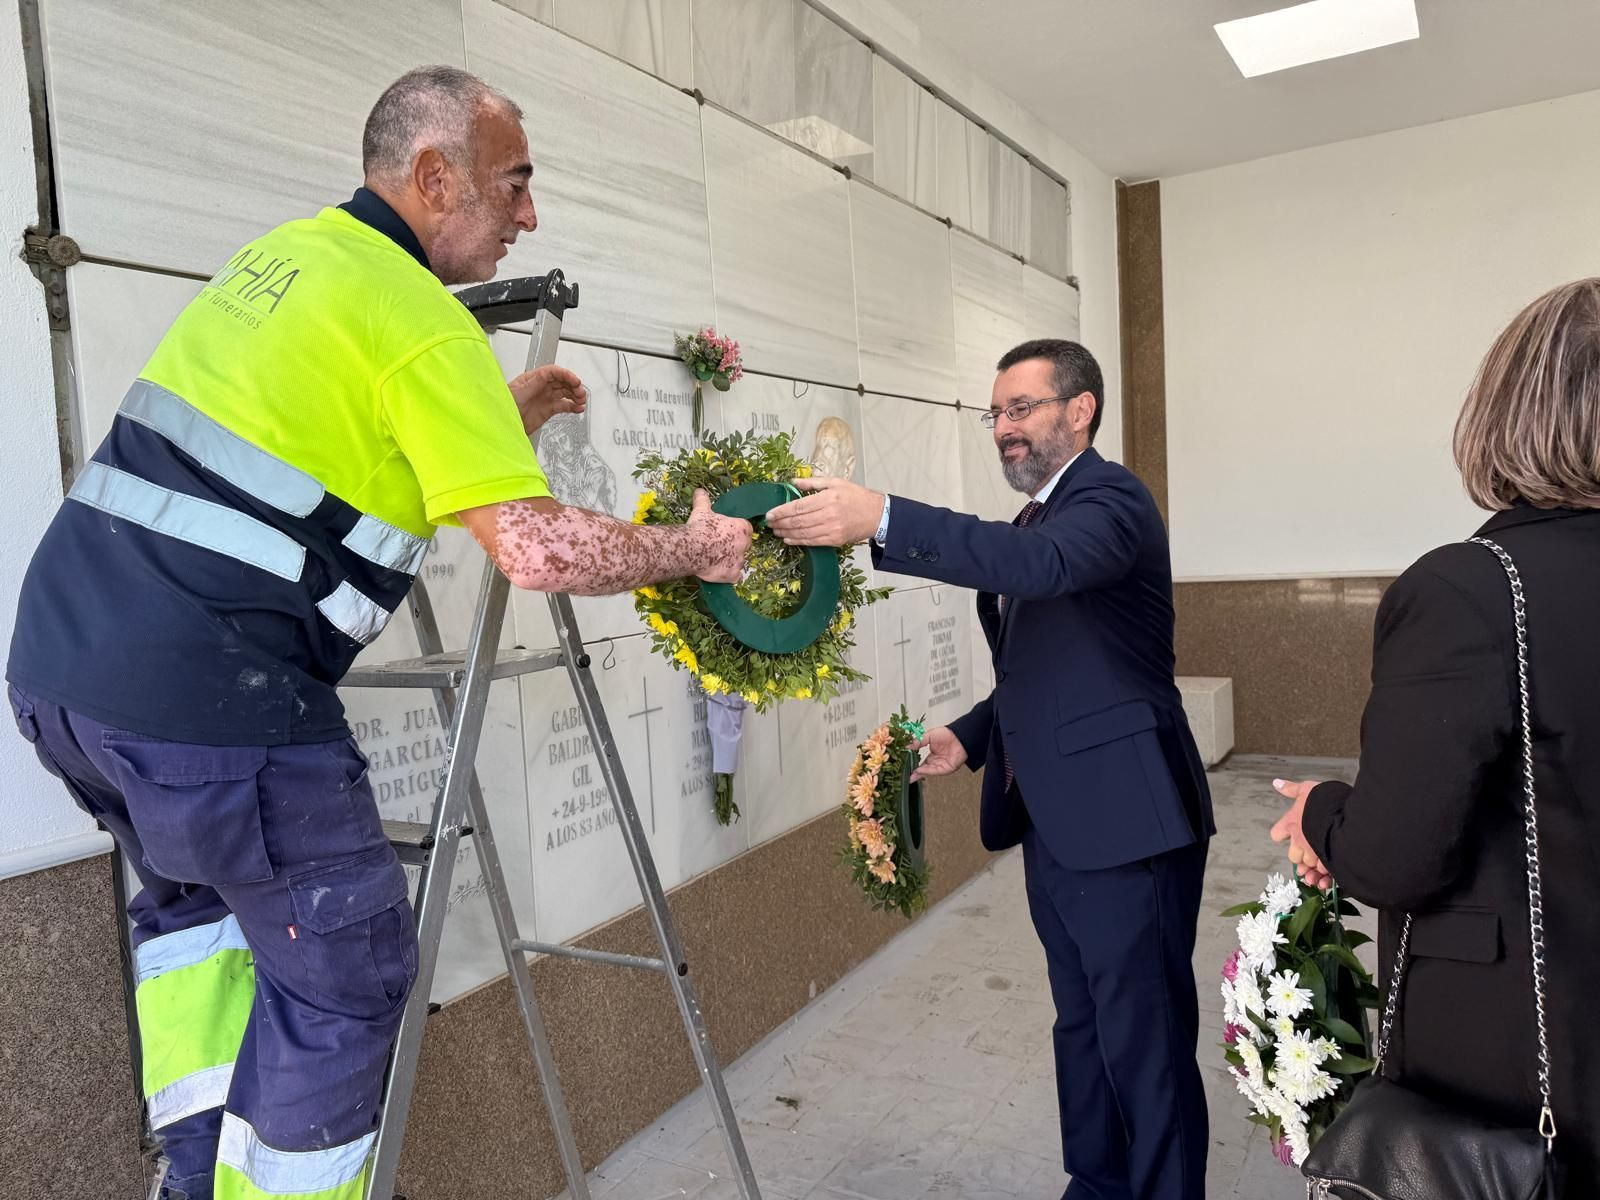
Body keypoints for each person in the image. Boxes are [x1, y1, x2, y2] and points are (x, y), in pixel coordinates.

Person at [4, 65, 749, 1200]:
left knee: (200, 921)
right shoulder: (423, 320)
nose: (530, 216)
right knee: (345, 975)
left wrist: (494, 421)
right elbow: (541, 551)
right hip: (216, 706)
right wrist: (691, 551)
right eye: (515, 186)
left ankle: (192, 1178)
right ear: (434, 176)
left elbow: (325, 451)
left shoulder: (288, 261)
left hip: (66, 677)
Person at [767, 339, 1214, 1200]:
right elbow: (1041, 668)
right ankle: (1100, 1182)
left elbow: (1042, 574)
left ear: (1079, 411)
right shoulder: (1034, 521)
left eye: (1021, 409)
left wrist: (884, 517)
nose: (1003, 429)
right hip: (1057, 820)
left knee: (1145, 1042)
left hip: (1128, 822)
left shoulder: (1110, 500)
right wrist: (970, 736)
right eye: (996, 413)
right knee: (1082, 1026)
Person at [1270, 278, 1600, 1192]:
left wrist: (1321, 812)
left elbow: (1394, 855)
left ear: (1505, 410)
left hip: (1527, 1056)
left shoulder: (1473, 588)